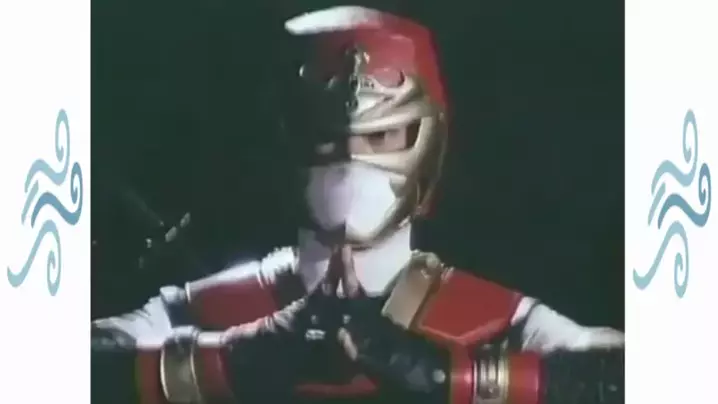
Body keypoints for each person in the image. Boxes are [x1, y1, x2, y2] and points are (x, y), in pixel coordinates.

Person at [92, 6, 624, 404]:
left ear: (425, 144)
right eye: (327, 140)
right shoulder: (202, 309)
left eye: (381, 137)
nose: (351, 161)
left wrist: (446, 374)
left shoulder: (497, 319)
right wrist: (236, 357)